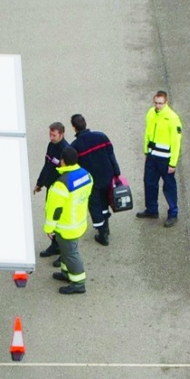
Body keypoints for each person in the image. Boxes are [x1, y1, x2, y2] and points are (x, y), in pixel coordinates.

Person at [44, 147, 92, 296]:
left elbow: (54, 210)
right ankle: (66, 272)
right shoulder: (86, 175)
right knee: (66, 250)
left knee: (71, 253)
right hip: (78, 220)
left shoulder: (61, 184)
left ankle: (78, 283)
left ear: (63, 161)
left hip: (66, 225)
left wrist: (48, 228)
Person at [70, 114, 121, 245]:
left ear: (74, 128)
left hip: (91, 182)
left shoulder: (75, 146)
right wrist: (116, 173)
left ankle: (102, 233)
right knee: (105, 201)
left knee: (95, 205)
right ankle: (106, 226)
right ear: (85, 123)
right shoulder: (101, 136)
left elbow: (75, 168)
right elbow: (111, 155)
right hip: (107, 176)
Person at [137, 90, 182, 226]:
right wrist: (146, 150)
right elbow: (148, 133)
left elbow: (176, 142)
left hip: (166, 160)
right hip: (152, 156)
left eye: (161, 103)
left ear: (166, 102)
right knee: (149, 183)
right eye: (156, 103)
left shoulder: (172, 118)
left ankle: (173, 213)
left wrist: (172, 164)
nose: (158, 106)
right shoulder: (151, 113)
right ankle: (152, 209)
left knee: (169, 187)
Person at [35, 121, 68, 255]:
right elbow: (47, 166)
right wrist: (40, 183)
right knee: (50, 214)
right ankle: (55, 245)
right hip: (51, 188)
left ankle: (62, 249)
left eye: (54, 135)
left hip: (61, 189)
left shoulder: (66, 150)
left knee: (59, 218)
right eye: (50, 134)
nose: (51, 137)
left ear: (62, 134)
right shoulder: (51, 145)